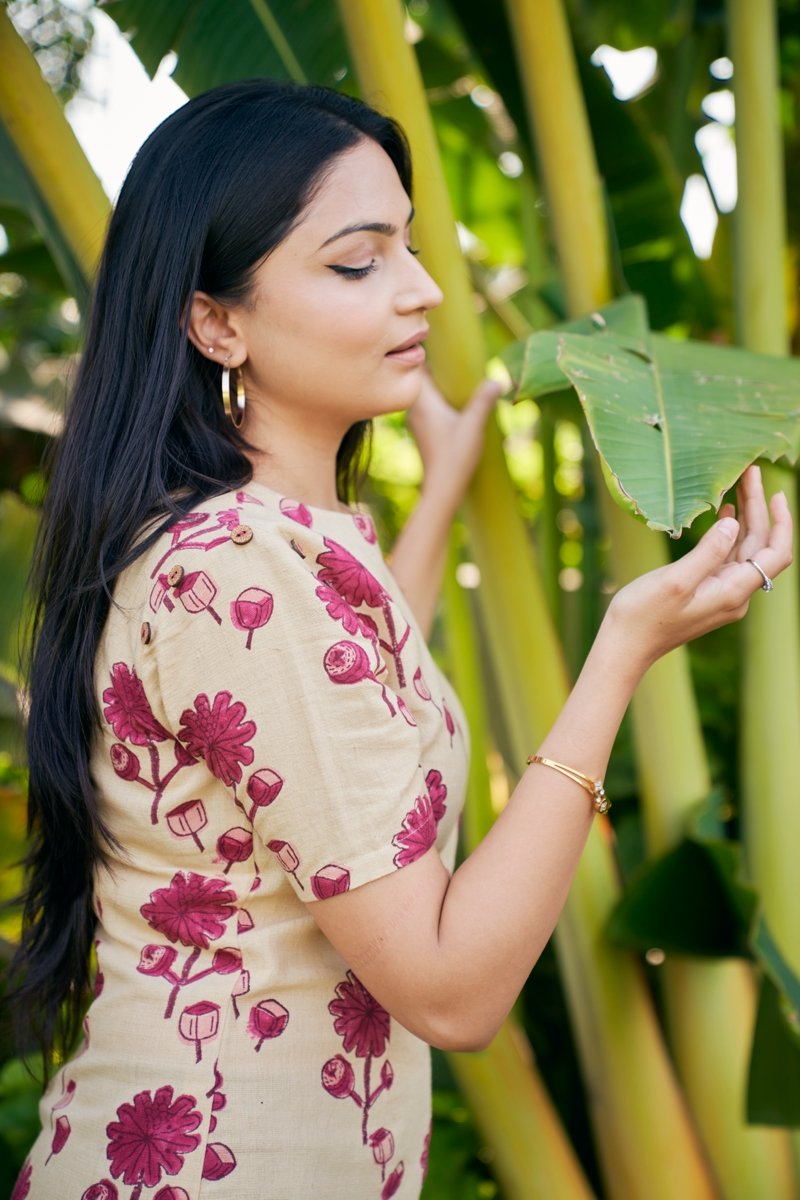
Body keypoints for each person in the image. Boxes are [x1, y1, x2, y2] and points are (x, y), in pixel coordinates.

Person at [8, 78, 792, 1200]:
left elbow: (346, 704)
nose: (423, 292)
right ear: (216, 320)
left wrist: (442, 487)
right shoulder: (236, 571)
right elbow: (449, 991)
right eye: (356, 261)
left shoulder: (265, 542)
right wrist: (621, 649)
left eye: (410, 249)